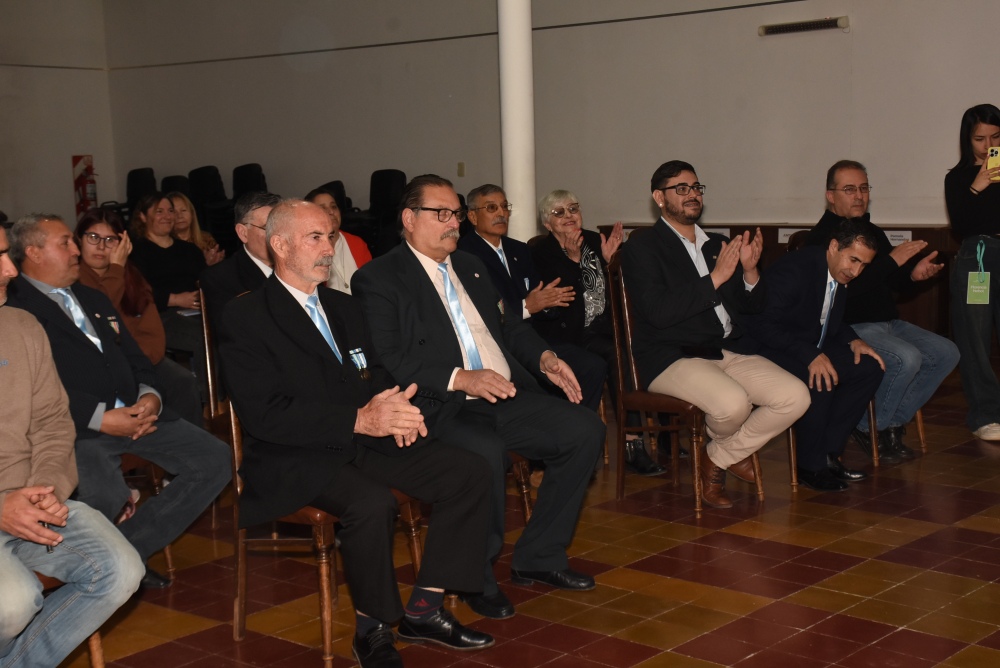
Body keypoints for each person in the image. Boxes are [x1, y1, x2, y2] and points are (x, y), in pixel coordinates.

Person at [218, 199, 494, 667]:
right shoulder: (246, 317)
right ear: (279, 245)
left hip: (364, 438)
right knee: (372, 503)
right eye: (315, 238)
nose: (329, 248)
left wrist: (398, 407)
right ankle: (372, 630)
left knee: (468, 470)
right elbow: (265, 415)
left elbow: (378, 372)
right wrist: (358, 420)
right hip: (295, 453)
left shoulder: (344, 307)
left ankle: (424, 610)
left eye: (330, 237)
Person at [352, 175, 605, 621]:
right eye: (442, 214)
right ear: (409, 219)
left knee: (584, 429)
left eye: (455, 214)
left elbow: (509, 327)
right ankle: (477, 577)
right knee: (483, 453)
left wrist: (544, 358)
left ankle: (540, 556)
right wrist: (459, 378)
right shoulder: (379, 277)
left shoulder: (470, 265)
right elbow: (389, 356)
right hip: (442, 405)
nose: (453, 223)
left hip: (504, 395)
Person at [6, 214, 230, 589]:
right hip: (77, 428)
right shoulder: (16, 310)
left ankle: (127, 550)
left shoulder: (92, 297)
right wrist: (100, 418)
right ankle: (106, 563)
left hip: (135, 414)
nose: (77, 250)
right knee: (104, 492)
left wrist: (150, 396)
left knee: (215, 459)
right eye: (66, 243)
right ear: (33, 252)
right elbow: (36, 390)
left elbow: (136, 357)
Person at [622, 161, 810, 508]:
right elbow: (659, 312)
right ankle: (726, 456)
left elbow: (750, 307)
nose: (692, 194)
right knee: (733, 404)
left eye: (696, 187)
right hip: (671, 354)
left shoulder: (716, 245)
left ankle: (717, 456)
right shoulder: (643, 247)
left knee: (795, 395)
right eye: (682, 189)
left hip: (722, 350)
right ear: (659, 198)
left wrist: (750, 271)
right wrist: (716, 278)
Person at [0, 224, 143, 668]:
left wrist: (45, 489)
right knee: (14, 603)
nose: (9, 269)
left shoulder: (21, 325)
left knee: (121, 570)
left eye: (7, 254)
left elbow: (53, 422)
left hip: (33, 497)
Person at [807, 161, 958, 460]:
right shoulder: (824, 239)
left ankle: (888, 424)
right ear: (830, 195)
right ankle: (865, 425)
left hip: (888, 322)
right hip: (851, 327)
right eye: (850, 189)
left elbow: (891, 283)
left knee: (947, 352)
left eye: (864, 188)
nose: (859, 196)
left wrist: (914, 276)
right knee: (907, 358)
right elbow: (840, 290)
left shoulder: (870, 230)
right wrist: (891, 263)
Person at [743, 217, 885, 491]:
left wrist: (854, 340)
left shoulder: (838, 272)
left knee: (868, 367)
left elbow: (827, 318)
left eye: (864, 265)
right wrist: (809, 354)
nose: (856, 271)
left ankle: (829, 454)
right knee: (821, 376)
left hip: (803, 342)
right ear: (833, 246)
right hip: (767, 347)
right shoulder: (795, 270)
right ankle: (810, 466)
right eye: (853, 260)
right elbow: (761, 323)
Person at [530, 188, 666, 474]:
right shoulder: (540, 251)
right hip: (571, 333)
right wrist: (572, 260)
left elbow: (623, 289)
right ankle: (632, 443)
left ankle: (666, 431)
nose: (569, 216)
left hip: (606, 326)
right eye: (559, 212)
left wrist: (609, 264)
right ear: (547, 222)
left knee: (654, 345)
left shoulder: (595, 240)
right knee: (618, 356)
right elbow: (563, 298)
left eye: (573, 209)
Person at [456, 184, 609, 416]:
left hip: (534, 337)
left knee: (592, 365)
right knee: (541, 377)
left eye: (504, 206)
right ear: (472, 216)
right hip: (497, 343)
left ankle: (573, 425)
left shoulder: (518, 249)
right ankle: (564, 427)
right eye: (491, 207)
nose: (500, 213)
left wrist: (548, 303)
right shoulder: (463, 255)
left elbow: (543, 296)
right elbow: (484, 311)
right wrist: (528, 306)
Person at [74, 207, 202, 426]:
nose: (102, 246)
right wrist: (116, 268)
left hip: (139, 358)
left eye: (110, 240)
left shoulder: (131, 275)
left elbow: (151, 327)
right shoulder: (73, 277)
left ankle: (190, 442)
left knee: (182, 382)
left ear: (123, 243)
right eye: (93, 237)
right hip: (100, 364)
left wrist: (142, 361)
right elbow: (99, 313)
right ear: (79, 239)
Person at [945, 103, 1000, 441]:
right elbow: (961, 225)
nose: (987, 145)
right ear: (968, 140)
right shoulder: (958, 177)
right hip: (976, 256)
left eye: (995, 137)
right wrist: (978, 185)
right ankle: (985, 414)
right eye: (979, 138)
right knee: (975, 340)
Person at [129, 192, 208, 392]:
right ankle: (208, 402)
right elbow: (136, 293)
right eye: (159, 211)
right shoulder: (136, 252)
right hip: (159, 315)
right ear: (143, 217)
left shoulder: (189, 250)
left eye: (170, 211)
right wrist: (174, 299)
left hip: (197, 310)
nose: (167, 216)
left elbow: (205, 279)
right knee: (204, 337)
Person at [200, 191, 281, 340]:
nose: (278, 236)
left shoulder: (298, 267)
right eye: (267, 228)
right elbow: (234, 334)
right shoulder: (219, 278)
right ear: (243, 233)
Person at [304, 186, 372, 294]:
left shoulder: (357, 243)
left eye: (334, 207)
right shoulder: (307, 249)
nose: (331, 212)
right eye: (323, 208)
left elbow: (372, 284)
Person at [168, 191, 224, 267]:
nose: (179, 216)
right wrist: (204, 264)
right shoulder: (165, 243)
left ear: (192, 213)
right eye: (174, 212)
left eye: (183, 210)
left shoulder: (206, 238)